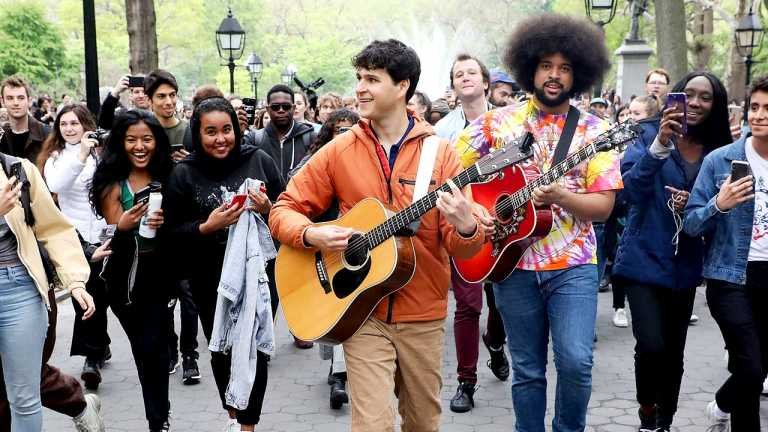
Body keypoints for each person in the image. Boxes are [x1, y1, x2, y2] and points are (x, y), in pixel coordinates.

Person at [270, 38, 486, 432]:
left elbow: (462, 248)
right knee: (372, 425)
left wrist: (467, 226)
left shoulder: (442, 155)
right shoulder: (340, 149)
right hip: (361, 311)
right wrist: (310, 235)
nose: (360, 88)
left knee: (423, 423)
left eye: (372, 79)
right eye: (358, 78)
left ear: (402, 86)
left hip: (423, 313)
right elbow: (283, 209)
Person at [454, 14, 619, 431]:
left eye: (564, 68)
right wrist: (478, 210)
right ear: (531, 67)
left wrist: (562, 196)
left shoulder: (596, 130)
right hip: (511, 264)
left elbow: (603, 207)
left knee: (576, 362)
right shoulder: (496, 123)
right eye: (547, 65)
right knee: (527, 369)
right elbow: (451, 171)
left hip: (574, 267)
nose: (554, 75)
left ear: (578, 73)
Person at [613, 71, 732, 431]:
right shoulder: (648, 133)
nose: (695, 103)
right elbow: (626, 194)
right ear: (676, 97)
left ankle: (664, 419)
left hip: (685, 263)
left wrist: (699, 204)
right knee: (650, 345)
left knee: (673, 352)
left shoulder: (720, 152)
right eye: (689, 94)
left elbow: (726, 211)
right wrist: (659, 146)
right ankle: (647, 411)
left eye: (705, 98)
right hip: (642, 258)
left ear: (716, 106)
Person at [164, 97, 283, 432]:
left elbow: (288, 212)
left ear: (237, 128)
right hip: (209, 277)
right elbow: (171, 233)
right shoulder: (184, 173)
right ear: (198, 136)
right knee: (222, 349)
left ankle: (248, 425)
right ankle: (233, 414)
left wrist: (267, 208)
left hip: (259, 272)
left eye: (227, 130)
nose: (221, 139)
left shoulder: (258, 160)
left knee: (255, 346)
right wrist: (207, 226)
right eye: (211, 132)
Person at [684, 74, 768, 431]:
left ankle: (723, 405)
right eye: (755, 107)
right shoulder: (721, 160)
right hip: (730, 276)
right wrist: (719, 203)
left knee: (755, 367)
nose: (760, 115)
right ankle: (722, 403)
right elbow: (690, 224)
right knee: (750, 367)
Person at [0, 131, 95, 431]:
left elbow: (54, 230)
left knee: (24, 397)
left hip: (18, 288)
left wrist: (76, 281)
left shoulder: (17, 171)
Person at [89, 109, 174, 432]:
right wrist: (124, 225)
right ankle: (158, 418)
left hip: (161, 275)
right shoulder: (111, 182)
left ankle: (159, 418)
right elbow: (111, 240)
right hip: (124, 282)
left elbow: (181, 226)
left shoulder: (170, 174)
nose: (140, 147)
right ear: (120, 143)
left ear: (157, 141)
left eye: (147, 139)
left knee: (157, 347)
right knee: (146, 348)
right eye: (131, 140)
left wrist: (164, 224)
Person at [435, 53, 510, 413]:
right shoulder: (443, 132)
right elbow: (440, 183)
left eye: (471, 72)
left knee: (501, 302)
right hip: (466, 226)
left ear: (485, 82)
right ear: (453, 87)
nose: (465, 78)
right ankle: (466, 381)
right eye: (457, 74)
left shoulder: (510, 123)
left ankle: (495, 342)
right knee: (467, 304)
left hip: (509, 220)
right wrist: (470, 212)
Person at [287, 107, 360, 410]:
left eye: (350, 131)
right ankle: (338, 373)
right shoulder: (317, 161)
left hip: (359, 250)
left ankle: (340, 377)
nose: (344, 136)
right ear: (328, 132)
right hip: (324, 250)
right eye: (338, 130)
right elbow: (294, 195)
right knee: (332, 313)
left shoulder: (366, 163)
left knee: (350, 311)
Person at [40, 104, 112, 390]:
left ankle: (100, 346)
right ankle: (91, 358)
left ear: (85, 125)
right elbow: (56, 184)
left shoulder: (101, 152)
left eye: (74, 123)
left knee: (103, 295)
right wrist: (80, 155)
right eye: (64, 124)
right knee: (88, 292)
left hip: (106, 232)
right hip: (75, 238)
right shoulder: (56, 158)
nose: (69, 128)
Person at [0, 77, 49, 171]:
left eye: (21, 98)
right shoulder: (1, 137)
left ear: (29, 101)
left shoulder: (46, 134)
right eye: (10, 98)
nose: (16, 103)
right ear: (2, 101)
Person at [144, 70, 191, 161]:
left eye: (172, 95)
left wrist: (190, 162)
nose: (169, 102)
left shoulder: (190, 131)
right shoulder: (141, 132)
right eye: (161, 96)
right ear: (149, 100)